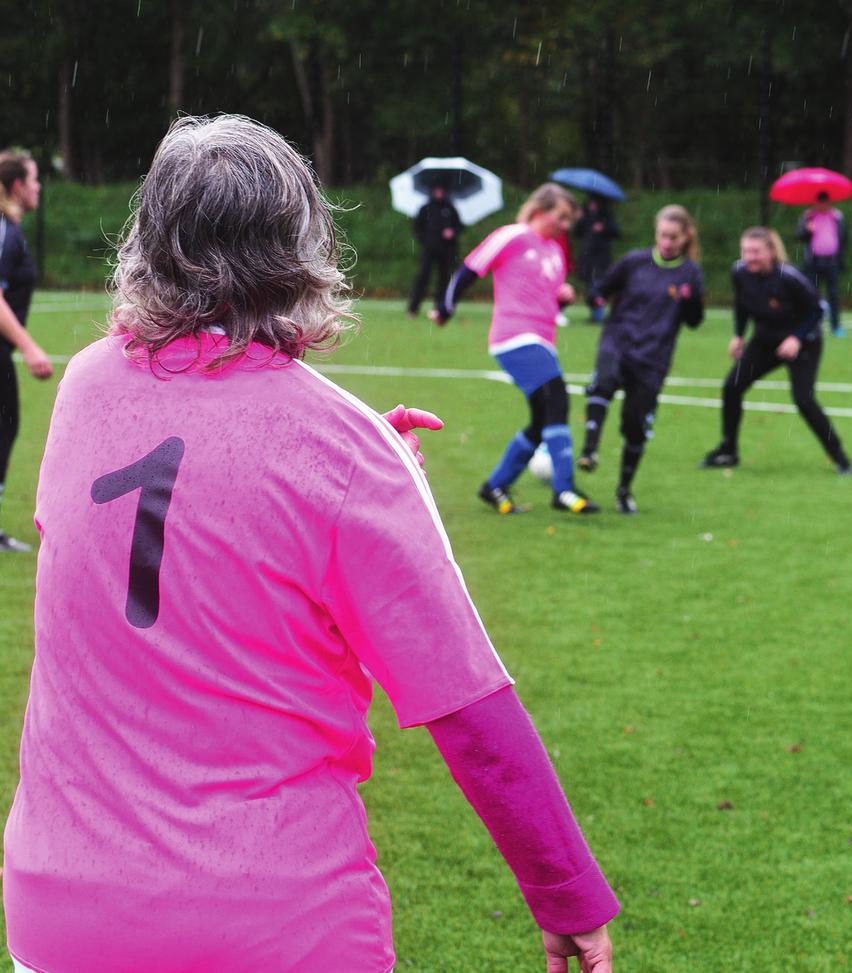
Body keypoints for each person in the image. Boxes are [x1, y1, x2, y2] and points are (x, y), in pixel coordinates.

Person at [2, 116, 617, 973]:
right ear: (302, 243)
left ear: (147, 235)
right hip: (273, 923)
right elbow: (469, 707)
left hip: (59, 915)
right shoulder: (342, 449)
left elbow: (161, 537)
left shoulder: (84, 386)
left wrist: (362, 477)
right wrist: (568, 894)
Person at [433, 183, 600, 514]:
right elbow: (470, 268)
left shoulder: (554, 252)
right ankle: (563, 490)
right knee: (557, 398)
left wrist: (561, 300)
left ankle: (494, 487)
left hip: (542, 341)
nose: (565, 225)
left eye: (570, 220)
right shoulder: (513, 235)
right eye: (561, 217)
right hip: (514, 337)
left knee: (542, 420)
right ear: (540, 209)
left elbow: (546, 303)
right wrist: (446, 307)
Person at [577, 205, 704, 514]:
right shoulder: (634, 261)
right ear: (656, 232)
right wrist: (594, 296)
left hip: (654, 357)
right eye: (663, 235)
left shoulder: (690, 273)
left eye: (674, 237)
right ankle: (590, 450)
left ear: (685, 238)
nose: (667, 242)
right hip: (618, 341)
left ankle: (624, 490)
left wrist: (689, 300)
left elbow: (695, 320)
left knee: (635, 426)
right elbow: (601, 289)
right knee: (602, 384)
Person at [700, 226, 852, 475]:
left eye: (756, 251)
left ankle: (840, 457)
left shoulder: (789, 276)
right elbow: (741, 304)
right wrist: (738, 335)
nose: (750, 257)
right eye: (746, 251)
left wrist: (796, 337)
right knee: (732, 387)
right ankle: (728, 451)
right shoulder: (739, 272)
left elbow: (819, 309)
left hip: (803, 343)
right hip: (765, 341)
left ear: (771, 251)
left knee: (804, 400)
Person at [0, 150, 53, 553]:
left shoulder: (11, 230)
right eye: (34, 180)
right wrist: (29, 345)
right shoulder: (4, 231)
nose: (38, 187)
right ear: (17, 186)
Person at [796, 191, 848, 336]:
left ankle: (835, 326)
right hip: (813, 262)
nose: (822, 205)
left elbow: (844, 238)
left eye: (825, 202)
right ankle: (812, 325)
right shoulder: (808, 217)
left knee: (834, 294)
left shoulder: (837, 216)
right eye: (820, 202)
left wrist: (840, 257)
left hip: (832, 261)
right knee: (812, 295)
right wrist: (807, 230)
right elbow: (799, 236)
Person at [407, 182, 462, 318]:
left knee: (444, 279)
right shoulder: (426, 209)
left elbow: (459, 226)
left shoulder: (450, 208)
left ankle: (440, 307)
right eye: (437, 190)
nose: (439, 193)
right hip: (429, 249)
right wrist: (426, 240)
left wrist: (452, 232)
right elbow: (417, 228)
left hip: (447, 250)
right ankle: (413, 308)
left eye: (441, 190)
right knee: (423, 277)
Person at [575, 194, 621, 322]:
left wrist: (603, 228)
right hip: (587, 256)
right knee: (589, 286)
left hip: (601, 257)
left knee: (597, 286)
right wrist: (581, 220)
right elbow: (577, 232)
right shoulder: (584, 215)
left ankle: (599, 314)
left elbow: (616, 232)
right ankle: (595, 314)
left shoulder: (606, 216)